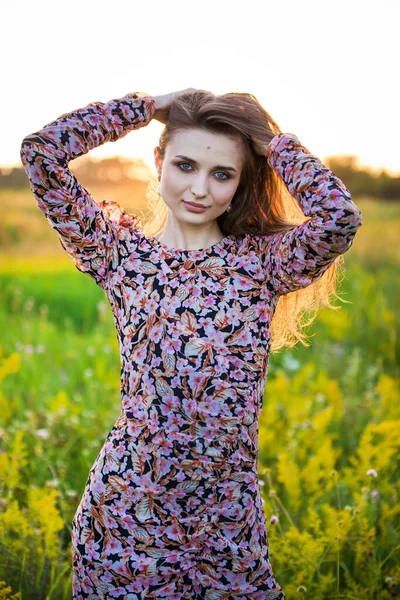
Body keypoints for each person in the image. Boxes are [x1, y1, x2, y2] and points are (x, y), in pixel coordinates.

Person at [20, 87, 362, 599]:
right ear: (158, 162)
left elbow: (339, 219)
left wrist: (271, 143)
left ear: (241, 181)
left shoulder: (261, 265)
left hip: (226, 525)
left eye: (221, 173)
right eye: (184, 164)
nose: (199, 188)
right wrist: (146, 107)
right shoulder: (121, 255)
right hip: (126, 516)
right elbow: (40, 154)